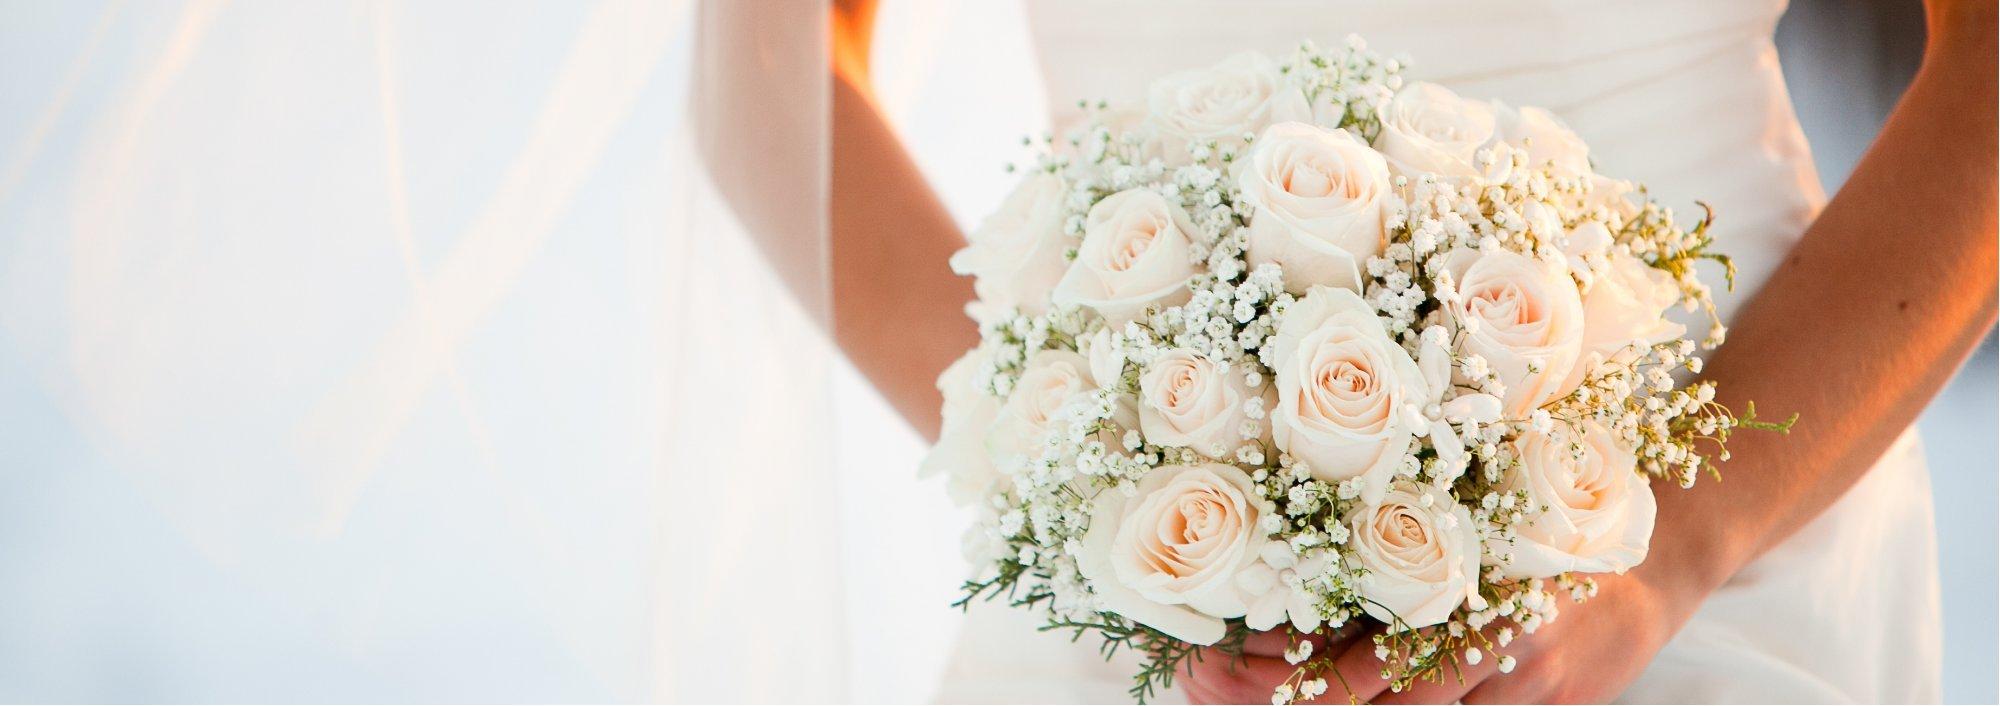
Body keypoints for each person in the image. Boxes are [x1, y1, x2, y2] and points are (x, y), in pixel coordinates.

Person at [809, 0, 1995, 701]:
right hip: (1149, 575)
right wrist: (1082, 478)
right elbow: (775, 87)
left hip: (1719, 469)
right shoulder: (1113, 516)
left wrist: (1663, 555)